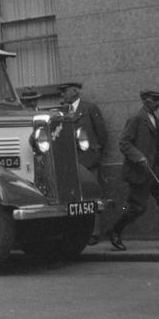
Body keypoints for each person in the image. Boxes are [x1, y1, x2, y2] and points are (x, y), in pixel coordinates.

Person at [105, 90, 159, 251]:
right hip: (141, 171)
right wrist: (139, 157)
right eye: (154, 100)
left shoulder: (155, 120)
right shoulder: (136, 118)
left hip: (156, 170)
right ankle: (114, 231)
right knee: (137, 208)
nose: (157, 103)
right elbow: (124, 143)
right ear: (145, 100)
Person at [59, 82, 108, 245]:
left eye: (65, 91)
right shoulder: (62, 112)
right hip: (71, 161)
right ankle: (79, 233)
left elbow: (101, 134)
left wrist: (95, 150)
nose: (62, 95)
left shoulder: (89, 108)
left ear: (75, 92)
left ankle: (94, 233)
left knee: (92, 195)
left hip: (88, 158)